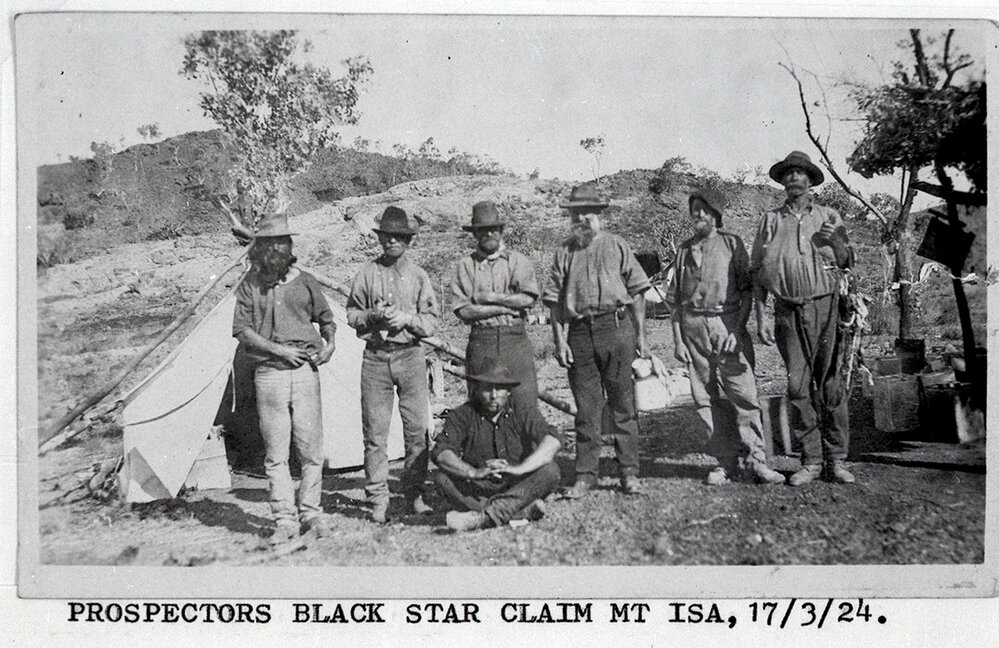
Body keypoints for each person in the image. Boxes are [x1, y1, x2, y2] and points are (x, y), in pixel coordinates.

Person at [751, 151, 856, 486]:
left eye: (801, 173)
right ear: (783, 182)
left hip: (825, 307)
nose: (794, 178)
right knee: (798, 387)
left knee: (830, 384)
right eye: (789, 174)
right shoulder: (771, 220)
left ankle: (836, 460)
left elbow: (847, 261)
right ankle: (810, 461)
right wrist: (761, 316)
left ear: (810, 181)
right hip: (787, 310)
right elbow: (757, 273)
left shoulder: (828, 215)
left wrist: (836, 241)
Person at [667, 188, 785, 485]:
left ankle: (757, 460)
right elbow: (675, 302)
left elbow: (747, 292)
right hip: (693, 328)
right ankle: (725, 462)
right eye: (694, 209)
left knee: (743, 395)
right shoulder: (683, 251)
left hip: (727, 323)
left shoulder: (732, 244)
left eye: (704, 209)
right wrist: (678, 340)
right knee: (705, 399)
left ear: (716, 214)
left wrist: (736, 329)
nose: (699, 215)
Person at [232, 212, 337, 543]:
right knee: (276, 454)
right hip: (269, 376)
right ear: (260, 247)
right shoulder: (250, 284)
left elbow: (327, 320)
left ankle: (312, 515)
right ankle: (285, 521)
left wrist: (330, 345)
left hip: (305, 372)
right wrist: (277, 351)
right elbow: (242, 331)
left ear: (290, 245)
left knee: (310, 450)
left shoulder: (306, 281)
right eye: (270, 243)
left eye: (282, 242)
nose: (277, 248)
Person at [541, 184, 651, 498]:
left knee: (623, 405)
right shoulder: (564, 251)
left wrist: (641, 335)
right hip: (579, 334)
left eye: (588, 212)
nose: (582, 218)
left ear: (598, 215)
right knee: (587, 410)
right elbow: (553, 302)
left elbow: (639, 290)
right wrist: (559, 341)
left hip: (617, 329)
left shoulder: (616, 245)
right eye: (576, 213)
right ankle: (585, 475)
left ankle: (629, 472)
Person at [346, 206, 440, 522]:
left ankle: (413, 495)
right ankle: (377, 501)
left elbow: (431, 323)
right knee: (375, 434)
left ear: (407, 240)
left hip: (411, 356)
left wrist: (407, 318)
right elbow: (351, 315)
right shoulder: (366, 274)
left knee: (417, 431)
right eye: (387, 236)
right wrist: (374, 315)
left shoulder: (418, 277)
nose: (392, 242)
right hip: (375, 359)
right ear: (380, 238)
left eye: (398, 237)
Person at [432, 358, 564, 532]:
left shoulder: (523, 411)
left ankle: (484, 517)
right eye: (487, 388)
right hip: (479, 486)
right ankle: (519, 512)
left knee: (551, 471)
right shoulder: (462, 415)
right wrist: (474, 472)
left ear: (509, 391)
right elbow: (441, 452)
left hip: (518, 484)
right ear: (477, 389)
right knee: (442, 478)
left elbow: (553, 439)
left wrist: (519, 469)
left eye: (500, 388)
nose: (493, 395)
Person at [452, 200, 540, 412]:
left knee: (524, 403)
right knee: (481, 406)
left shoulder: (517, 261)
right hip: (482, 340)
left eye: (493, 229)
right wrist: (505, 307)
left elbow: (528, 298)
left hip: (515, 340)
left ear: (501, 231)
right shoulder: (466, 266)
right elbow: (464, 310)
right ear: (474, 234)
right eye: (482, 230)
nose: (488, 234)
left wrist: (490, 297)